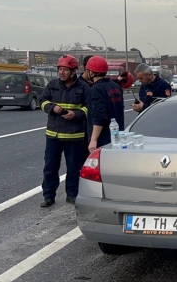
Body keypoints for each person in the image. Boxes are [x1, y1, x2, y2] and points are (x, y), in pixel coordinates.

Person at [39, 55, 90, 207]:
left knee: (74, 167)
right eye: (60, 69)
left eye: (65, 70)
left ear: (74, 71)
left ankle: (72, 195)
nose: (61, 73)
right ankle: (48, 196)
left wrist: (77, 114)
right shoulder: (52, 84)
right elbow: (42, 101)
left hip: (75, 135)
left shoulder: (83, 87)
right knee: (50, 166)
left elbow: (89, 107)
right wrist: (51, 107)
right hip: (53, 134)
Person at [85, 56, 125, 152]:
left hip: (103, 139)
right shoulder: (116, 86)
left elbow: (99, 116)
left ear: (91, 72)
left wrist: (93, 140)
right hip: (117, 137)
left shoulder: (96, 89)